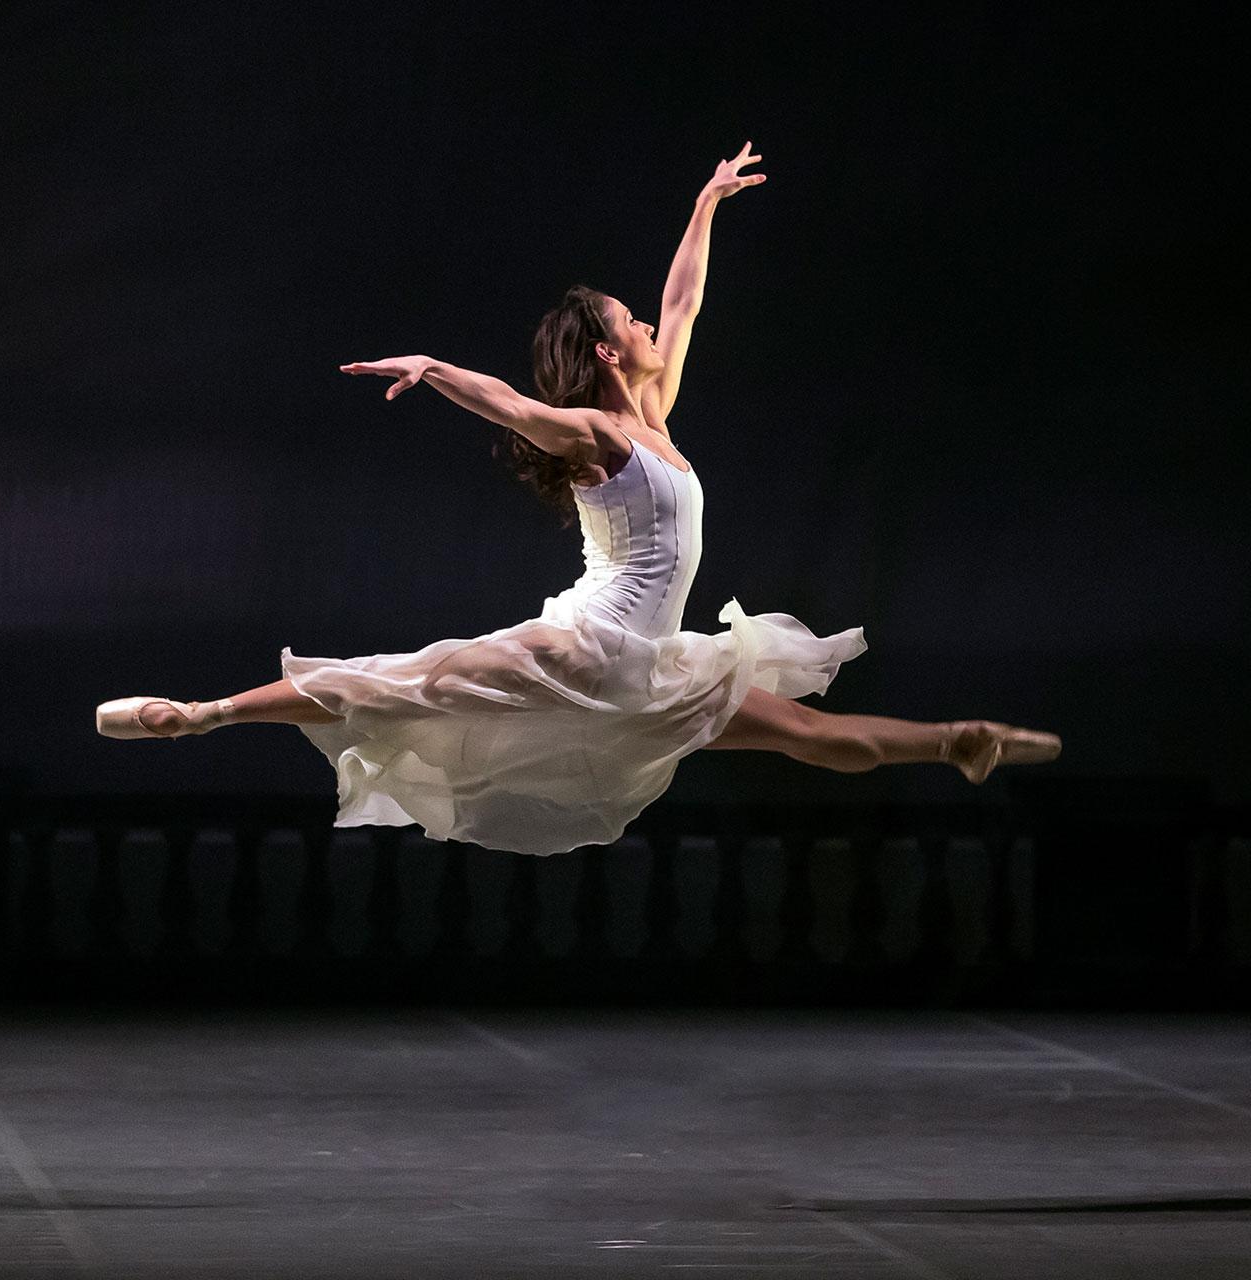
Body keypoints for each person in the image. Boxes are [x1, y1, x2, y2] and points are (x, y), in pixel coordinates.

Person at [97, 143, 1060, 856]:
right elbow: (513, 404)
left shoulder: (656, 414)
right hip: (590, 645)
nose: (646, 323)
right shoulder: (599, 437)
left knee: (804, 733)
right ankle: (202, 712)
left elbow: (682, 304)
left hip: (658, 664)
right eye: (627, 321)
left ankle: (956, 742)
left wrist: (705, 205)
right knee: (403, 681)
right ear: (607, 351)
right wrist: (434, 368)